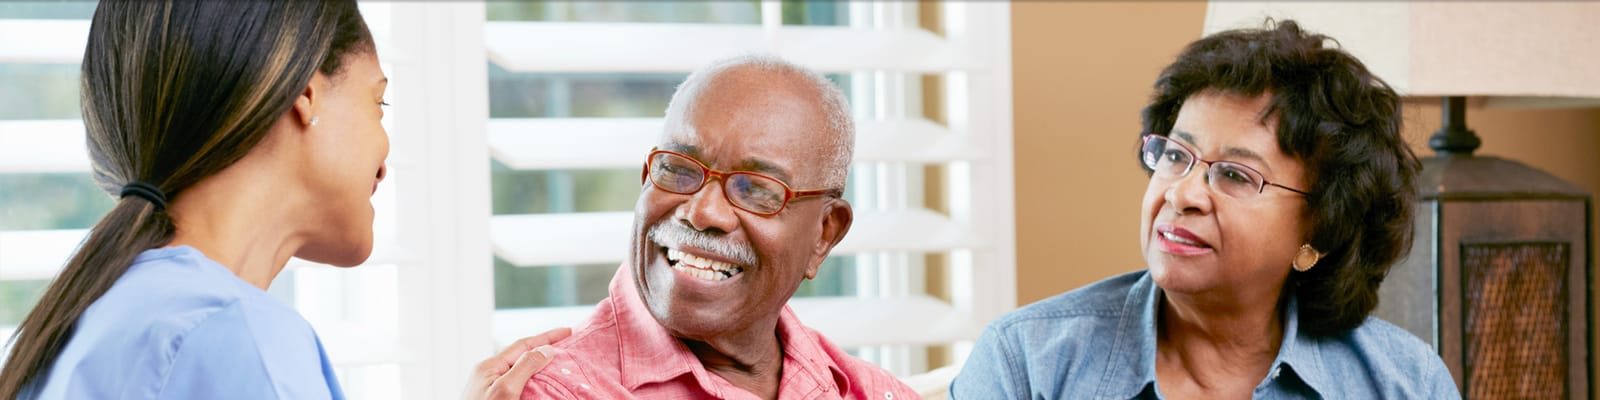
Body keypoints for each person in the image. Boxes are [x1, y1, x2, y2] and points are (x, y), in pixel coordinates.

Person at [950, 20, 1459, 399]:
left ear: (1319, 232)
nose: (1182, 194)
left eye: (1235, 174)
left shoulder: (1404, 383)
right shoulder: (1026, 364)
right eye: (1176, 156)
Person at [0, 1, 394, 398]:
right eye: (378, 103)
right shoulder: (240, 338)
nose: (384, 163)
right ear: (307, 94)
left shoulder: (82, 325)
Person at [507, 55, 918, 400]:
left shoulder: (871, 391)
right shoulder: (554, 391)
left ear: (824, 234)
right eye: (678, 169)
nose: (702, 213)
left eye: (756, 190)